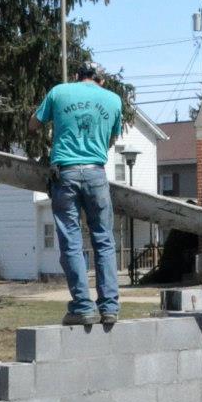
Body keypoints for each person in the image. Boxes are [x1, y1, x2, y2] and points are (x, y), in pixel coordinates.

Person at [33, 61, 123, 332]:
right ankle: (109, 308)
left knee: (71, 241)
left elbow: (32, 125)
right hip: (97, 174)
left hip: (66, 174)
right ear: (101, 80)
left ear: (77, 76)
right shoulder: (113, 100)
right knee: (104, 240)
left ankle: (83, 307)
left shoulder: (59, 92)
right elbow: (111, 139)